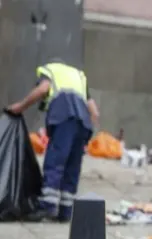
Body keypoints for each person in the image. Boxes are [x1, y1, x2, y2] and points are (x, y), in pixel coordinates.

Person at [7, 59, 100, 222]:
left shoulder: (48, 71)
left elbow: (43, 89)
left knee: (55, 161)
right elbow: (95, 112)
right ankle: (65, 211)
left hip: (64, 117)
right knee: (72, 166)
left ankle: (47, 206)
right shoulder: (79, 76)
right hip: (83, 123)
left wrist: (20, 107)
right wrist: (86, 136)